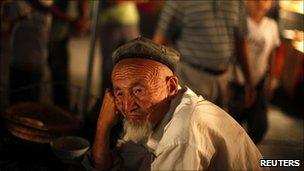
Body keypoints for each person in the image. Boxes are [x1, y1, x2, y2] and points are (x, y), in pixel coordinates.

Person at [82, 37, 266, 170]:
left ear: (171, 86)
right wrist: (103, 126)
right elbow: (120, 162)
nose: (128, 105)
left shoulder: (182, 134)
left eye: (139, 90)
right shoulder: (149, 114)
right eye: (119, 93)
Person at [153, 1, 255, 108]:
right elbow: (159, 42)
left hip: (224, 80)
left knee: (217, 123)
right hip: (191, 78)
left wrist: (249, 81)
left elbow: (241, 42)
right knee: (190, 122)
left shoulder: (237, 2)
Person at [228, 0, 281, 144]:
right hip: (236, 82)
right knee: (231, 125)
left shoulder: (271, 26)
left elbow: (272, 54)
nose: (259, 3)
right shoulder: (239, 22)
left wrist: (270, 81)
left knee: (259, 126)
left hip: (259, 82)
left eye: (265, 0)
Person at [48, 0, 89, 109]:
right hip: (44, 32)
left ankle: (62, 112)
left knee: (60, 77)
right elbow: (47, 5)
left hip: (58, 35)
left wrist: (82, 17)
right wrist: (73, 21)